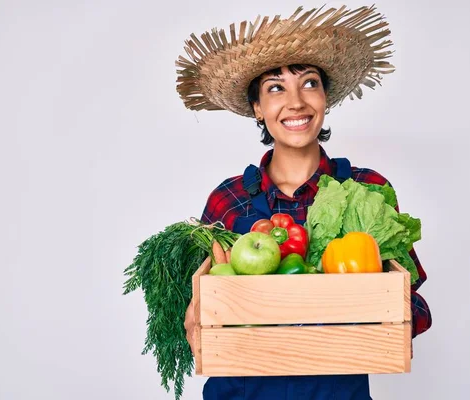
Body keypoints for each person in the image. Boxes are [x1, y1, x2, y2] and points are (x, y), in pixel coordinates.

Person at [178, 5, 432, 399]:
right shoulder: (227, 201)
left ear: (325, 98)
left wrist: (376, 315)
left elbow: (412, 306)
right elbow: (202, 306)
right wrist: (194, 316)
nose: (295, 102)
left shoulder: (367, 189)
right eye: (275, 87)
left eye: (309, 83)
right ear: (258, 109)